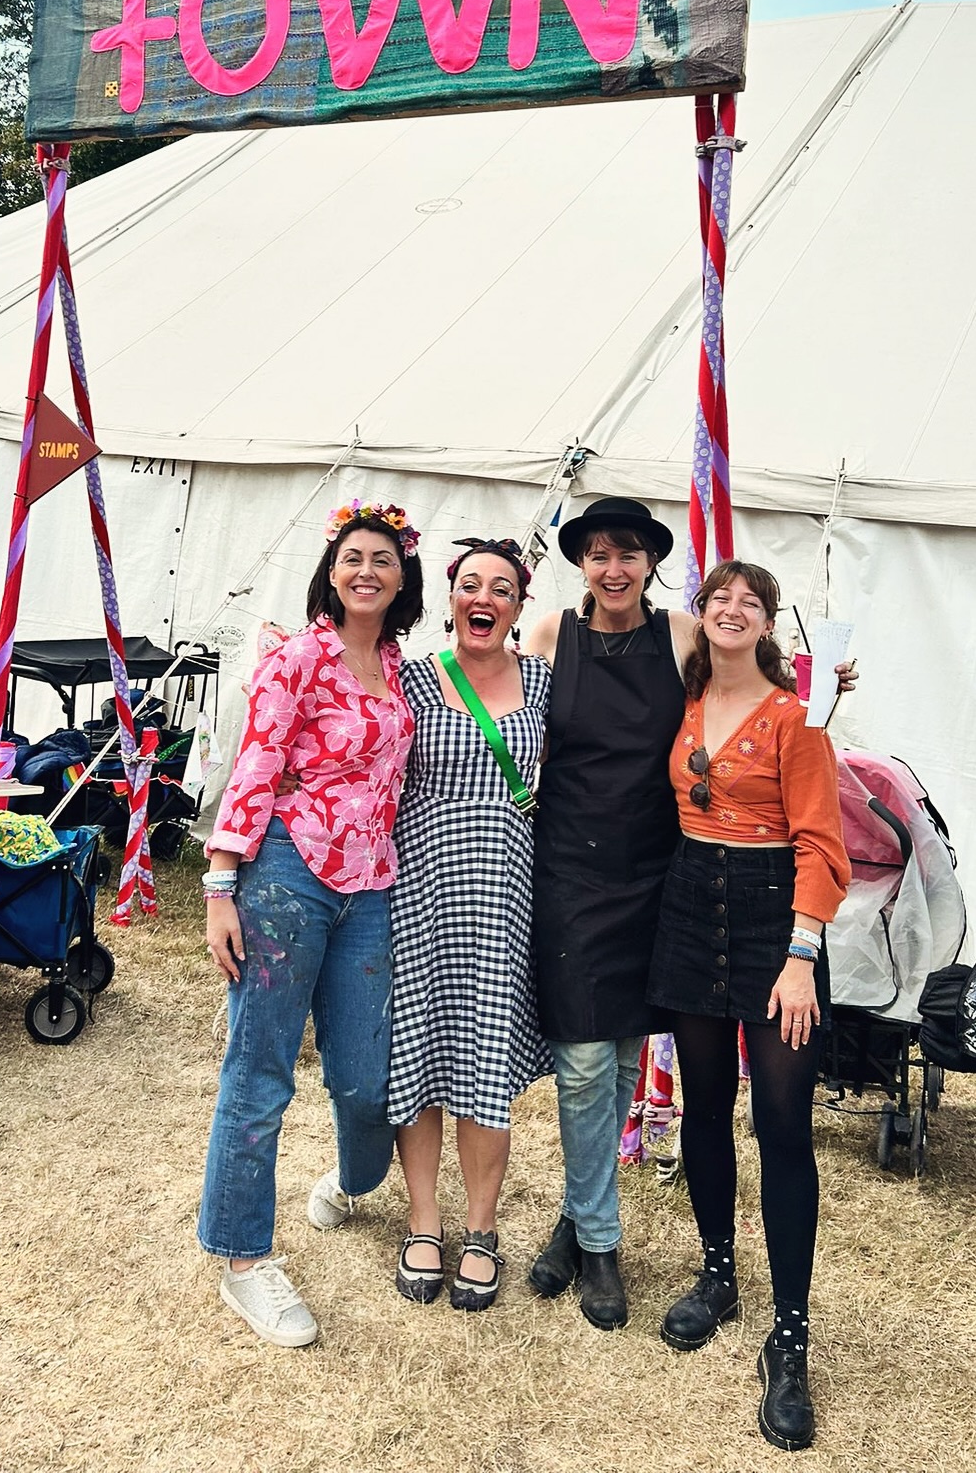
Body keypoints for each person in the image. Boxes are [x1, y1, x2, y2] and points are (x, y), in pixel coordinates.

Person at [522, 496, 855, 1332]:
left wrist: (821, 690)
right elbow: (509, 711)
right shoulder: (575, 644)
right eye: (598, 553)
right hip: (620, 887)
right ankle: (631, 1243)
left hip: (698, 894)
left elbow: (809, 814)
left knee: (707, 1097)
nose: (613, 568)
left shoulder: (701, 655)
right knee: (620, 1077)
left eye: (629, 553)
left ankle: (782, 1320)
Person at [197, 502, 422, 1348]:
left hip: (372, 887)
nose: (367, 571)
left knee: (367, 1079)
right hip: (287, 878)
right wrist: (221, 885)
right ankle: (243, 1258)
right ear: (331, 572)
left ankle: (355, 1182)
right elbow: (255, 766)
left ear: (402, 580)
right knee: (261, 1071)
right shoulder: (298, 657)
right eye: (352, 557)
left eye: (383, 560)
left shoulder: (399, 668)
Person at [647, 560, 849, 1453]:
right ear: (700, 612)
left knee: (782, 1127)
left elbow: (822, 844)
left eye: (751, 602)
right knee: (703, 1110)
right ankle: (719, 1273)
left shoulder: (798, 719)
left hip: (775, 925)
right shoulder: (685, 695)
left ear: (770, 623)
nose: (732, 610)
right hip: (690, 906)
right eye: (719, 598)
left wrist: (801, 959)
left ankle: (790, 1336)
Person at [387, 539, 551, 1312]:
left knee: (485, 1060)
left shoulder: (544, 680)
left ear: (518, 607)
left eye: (503, 588)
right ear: (451, 597)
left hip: (503, 897)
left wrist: (789, 675)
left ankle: (481, 1229)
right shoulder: (412, 677)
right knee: (416, 1053)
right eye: (471, 584)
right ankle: (423, 1220)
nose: (485, 597)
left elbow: (657, 680)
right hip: (420, 888)